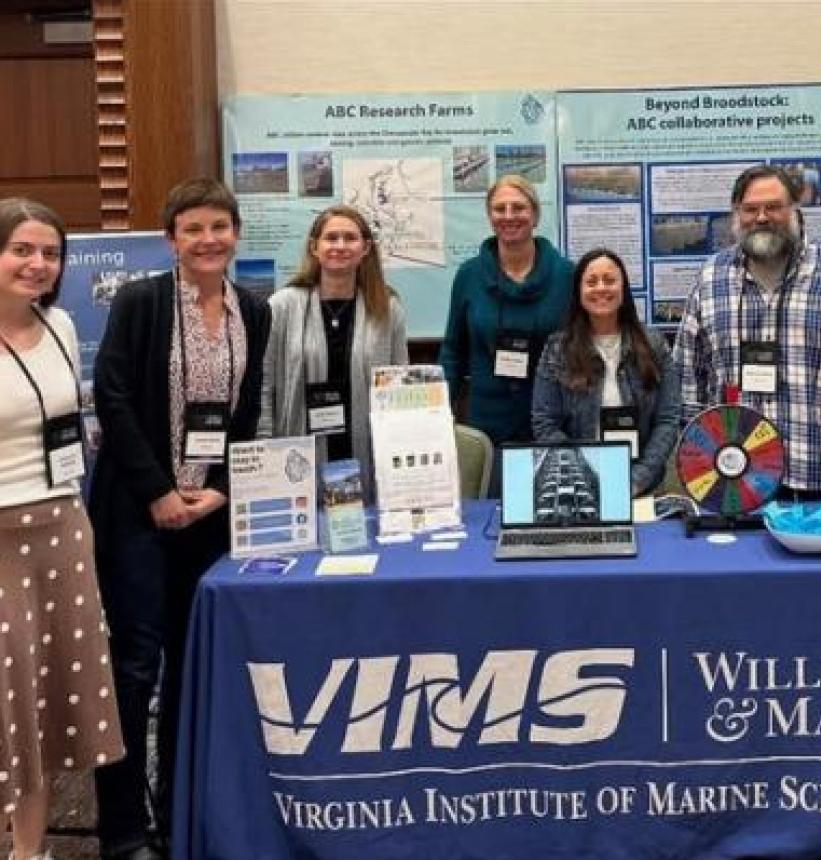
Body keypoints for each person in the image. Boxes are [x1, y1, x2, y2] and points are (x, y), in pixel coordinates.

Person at [90, 178, 271, 859]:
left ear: (235, 233)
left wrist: (222, 489)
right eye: (193, 228)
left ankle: (180, 810)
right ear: (171, 239)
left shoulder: (254, 310)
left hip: (209, 517)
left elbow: (248, 409)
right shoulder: (141, 301)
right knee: (136, 668)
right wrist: (158, 492)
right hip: (139, 512)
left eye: (219, 227)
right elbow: (112, 396)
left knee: (195, 664)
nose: (207, 240)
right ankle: (123, 830)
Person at [0, 199, 124, 860]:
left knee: (44, 701)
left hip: (62, 526)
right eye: (22, 249)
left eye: (49, 252)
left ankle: (31, 850)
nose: (38, 264)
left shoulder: (64, 326)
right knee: (4, 701)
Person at [672, 164, 821, 500]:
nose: (762, 217)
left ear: (795, 208)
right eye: (750, 209)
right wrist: (698, 469)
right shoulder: (711, 278)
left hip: (817, 482)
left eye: (774, 207)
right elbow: (689, 380)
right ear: (737, 214)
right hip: (731, 485)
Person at [259, 205, 408, 496]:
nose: (340, 246)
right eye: (331, 238)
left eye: (350, 238)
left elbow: (400, 388)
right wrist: (266, 450)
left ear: (365, 248)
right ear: (315, 247)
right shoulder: (282, 306)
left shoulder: (387, 308)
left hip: (364, 451)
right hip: (297, 452)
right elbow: (263, 385)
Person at [440, 175, 574, 494]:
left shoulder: (566, 275)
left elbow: (579, 348)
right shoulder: (469, 276)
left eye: (519, 207)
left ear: (536, 215)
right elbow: (452, 351)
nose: (509, 215)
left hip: (551, 423)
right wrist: (439, 411)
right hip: (486, 426)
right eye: (500, 208)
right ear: (490, 216)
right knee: (488, 519)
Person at [532, 248, 680, 497]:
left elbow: (668, 419)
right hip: (578, 488)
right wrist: (584, 476)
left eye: (610, 280)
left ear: (623, 290)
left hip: (644, 489)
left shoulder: (654, 344)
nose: (601, 288)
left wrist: (637, 480)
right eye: (591, 282)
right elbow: (545, 423)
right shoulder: (558, 349)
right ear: (579, 292)